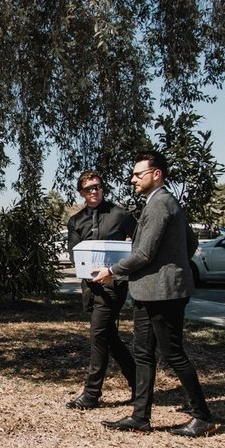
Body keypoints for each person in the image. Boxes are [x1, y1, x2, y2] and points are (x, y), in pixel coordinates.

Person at [92, 150, 215, 438]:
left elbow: (145, 253)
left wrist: (111, 270)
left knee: (173, 353)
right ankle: (140, 416)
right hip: (148, 291)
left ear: (156, 174)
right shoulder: (161, 202)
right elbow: (190, 241)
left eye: (138, 174)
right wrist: (174, 262)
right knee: (143, 353)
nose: (133, 179)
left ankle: (202, 416)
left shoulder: (160, 203)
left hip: (164, 293)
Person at [65, 170, 137, 410]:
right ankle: (140, 384)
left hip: (114, 285)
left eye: (97, 186)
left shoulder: (120, 214)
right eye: (88, 189)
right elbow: (74, 253)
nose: (94, 191)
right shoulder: (75, 221)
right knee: (110, 338)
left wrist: (128, 247)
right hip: (89, 287)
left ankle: (91, 394)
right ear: (81, 193)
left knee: (98, 335)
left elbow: (140, 243)